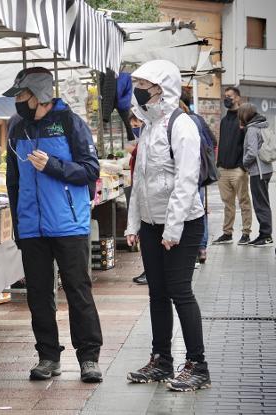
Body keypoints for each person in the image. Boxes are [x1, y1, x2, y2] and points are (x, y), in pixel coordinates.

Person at [4, 67, 104, 383]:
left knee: (78, 291)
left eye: (22, 96)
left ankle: (89, 358)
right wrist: (19, 226)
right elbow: (13, 181)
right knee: (38, 294)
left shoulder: (71, 124)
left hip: (70, 224)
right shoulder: (16, 127)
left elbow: (90, 171)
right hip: (32, 226)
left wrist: (53, 166)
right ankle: (48, 357)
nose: (18, 102)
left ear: (40, 96)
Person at [125, 60, 210, 392]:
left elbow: (186, 182)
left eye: (144, 83)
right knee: (157, 293)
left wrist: (172, 229)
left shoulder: (182, 124)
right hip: (150, 222)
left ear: (162, 87)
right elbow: (140, 180)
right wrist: (134, 224)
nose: (139, 89)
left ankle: (197, 365)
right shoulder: (148, 126)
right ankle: (161, 360)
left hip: (183, 224)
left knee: (180, 292)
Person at [213, 87, 253, 245]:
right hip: (223, 169)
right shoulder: (224, 120)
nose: (226, 99)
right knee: (227, 204)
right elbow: (222, 142)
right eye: (225, 96)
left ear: (237, 98)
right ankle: (227, 233)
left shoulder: (244, 119)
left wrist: (243, 166)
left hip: (238, 170)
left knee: (244, 202)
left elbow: (248, 144)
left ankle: (246, 233)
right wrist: (219, 164)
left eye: (229, 96)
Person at [180, 89, 216, 263]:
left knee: (192, 210)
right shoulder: (198, 119)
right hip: (200, 173)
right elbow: (213, 142)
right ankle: (201, 249)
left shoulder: (184, 121)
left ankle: (193, 248)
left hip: (189, 173)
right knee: (199, 210)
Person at [239, 103, 274, 247]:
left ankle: (265, 235)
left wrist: (244, 163)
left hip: (257, 171)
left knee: (260, 204)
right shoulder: (263, 125)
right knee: (263, 202)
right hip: (266, 169)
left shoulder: (252, 129)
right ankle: (265, 234)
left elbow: (252, 152)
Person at [126, 113, 147, 285]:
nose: (135, 127)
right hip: (139, 190)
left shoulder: (146, 140)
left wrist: (133, 151)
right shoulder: (142, 140)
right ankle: (149, 270)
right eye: (132, 124)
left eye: (137, 123)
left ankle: (150, 271)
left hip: (147, 195)